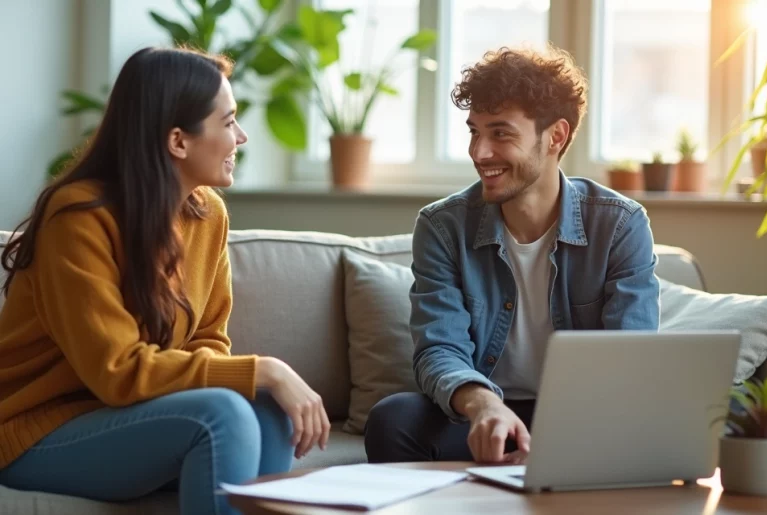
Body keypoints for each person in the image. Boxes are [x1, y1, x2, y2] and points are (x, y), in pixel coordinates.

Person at [0, 47, 330, 515]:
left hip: (131, 420)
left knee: (270, 412)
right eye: (228, 121)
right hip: (34, 432)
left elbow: (209, 340)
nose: (242, 136)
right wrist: (266, 370)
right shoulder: (77, 218)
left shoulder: (208, 214)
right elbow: (117, 371)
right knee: (226, 412)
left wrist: (255, 383)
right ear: (178, 140)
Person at [364, 44, 660, 465]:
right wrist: (483, 405)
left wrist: (564, 434)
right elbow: (437, 348)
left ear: (555, 136)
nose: (479, 153)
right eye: (474, 131)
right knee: (393, 420)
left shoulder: (619, 225)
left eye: (500, 133)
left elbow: (630, 357)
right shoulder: (442, 227)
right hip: (485, 412)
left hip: (585, 417)